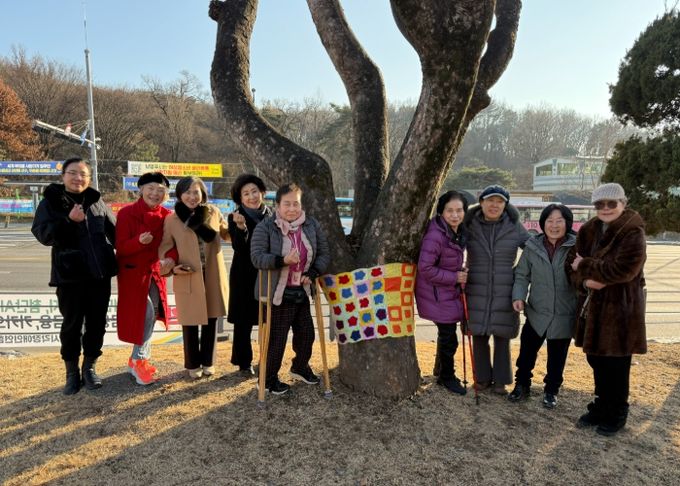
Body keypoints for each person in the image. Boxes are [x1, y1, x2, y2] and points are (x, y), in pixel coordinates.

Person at [31, 157, 117, 395]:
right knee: (71, 326)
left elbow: (116, 232)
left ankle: (89, 368)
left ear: (89, 178)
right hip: (69, 277)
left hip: (99, 275)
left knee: (97, 324)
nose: (78, 178)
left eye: (83, 174)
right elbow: (43, 234)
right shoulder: (51, 202)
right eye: (73, 173)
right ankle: (71, 373)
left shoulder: (96, 201)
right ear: (63, 176)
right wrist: (69, 221)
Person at [570, 182, 646, 436]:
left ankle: (617, 412)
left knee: (617, 363)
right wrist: (586, 281)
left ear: (623, 203)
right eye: (599, 204)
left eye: (611, 203)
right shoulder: (588, 229)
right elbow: (571, 263)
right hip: (591, 308)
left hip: (621, 309)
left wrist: (585, 265)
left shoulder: (633, 232)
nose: (605, 208)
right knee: (596, 359)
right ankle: (601, 405)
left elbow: (623, 270)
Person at [250, 183, 330, 395]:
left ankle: (299, 368)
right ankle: (267, 379)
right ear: (278, 205)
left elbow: (324, 253)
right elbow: (257, 257)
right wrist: (282, 260)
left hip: (302, 290)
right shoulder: (267, 227)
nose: (292, 209)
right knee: (276, 340)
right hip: (277, 292)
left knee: (306, 335)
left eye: (296, 204)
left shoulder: (311, 225)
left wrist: (313, 272)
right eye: (287, 204)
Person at [158, 176, 230, 379]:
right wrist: (172, 268)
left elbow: (226, 234)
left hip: (212, 274)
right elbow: (165, 248)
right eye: (187, 192)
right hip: (188, 274)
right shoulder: (172, 219)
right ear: (180, 195)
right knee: (189, 323)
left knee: (211, 320)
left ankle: (209, 362)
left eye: (196, 192)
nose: (192, 196)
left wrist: (238, 226)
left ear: (202, 194)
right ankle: (192, 364)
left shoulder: (213, 212)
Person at [508, 204, 577, 409]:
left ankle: (551, 391)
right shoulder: (532, 247)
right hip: (536, 312)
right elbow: (522, 275)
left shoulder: (577, 247)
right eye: (550, 221)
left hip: (564, 313)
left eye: (559, 221)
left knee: (557, 357)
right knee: (527, 353)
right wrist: (518, 296)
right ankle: (522, 385)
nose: (554, 226)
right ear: (543, 223)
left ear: (567, 223)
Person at [463, 184, 529, 395]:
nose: (494, 205)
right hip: (476, 286)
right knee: (479, 334)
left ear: (505, 205)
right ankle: (482, 378)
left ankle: (501, 381)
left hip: (505, 288)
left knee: (502, 335)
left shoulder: (514, 226)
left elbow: (532, 249)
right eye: (490, 200)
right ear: (481, 202)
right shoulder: (469, 224)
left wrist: (519, 274)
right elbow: (452, 247)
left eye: (500, 201)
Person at [115, 172, 175, 386]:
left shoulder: (168, 216)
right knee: (145, 313)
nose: (155, 193)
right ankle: (139, 360)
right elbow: (121, 247)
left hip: (156, 273)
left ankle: (138, 359)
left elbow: (172, 245)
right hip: (133, 275)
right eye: (150, 188)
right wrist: (139, 242)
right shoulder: (126, 213)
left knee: (152, 313)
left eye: (160, 190)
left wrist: (170, 259)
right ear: (141, 190)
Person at [415, 191, 469, 395]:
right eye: (449, 211)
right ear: (441, 212)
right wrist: (455, 277)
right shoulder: (435, 235)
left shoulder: (456, 231)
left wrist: (459, 271)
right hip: (436, 293)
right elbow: (425, 268)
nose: (455, 215)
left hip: (446, 291)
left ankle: (441, 372)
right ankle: (447, 377)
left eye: (459, 210)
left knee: (448, 336)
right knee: (449, 338)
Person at [227, 174, 272, 376]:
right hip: (243, 275)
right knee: (243, 321)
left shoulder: (272, 215)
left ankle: (267, 359)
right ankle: (243, 362)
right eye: (246, 194)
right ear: (240, 198)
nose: (251, 196)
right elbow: (239, 247)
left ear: (262, 192)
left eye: (254, 191)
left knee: (268, 319)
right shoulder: (235, 217)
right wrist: (241, 227)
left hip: (267, 273)